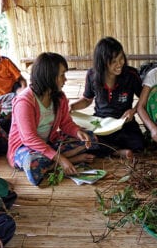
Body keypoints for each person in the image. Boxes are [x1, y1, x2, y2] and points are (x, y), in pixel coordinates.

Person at [8, 52, 101, 186]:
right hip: (26, 148)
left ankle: (51, 164)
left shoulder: (59, 97)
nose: (65, 80)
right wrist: (61, 159)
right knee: (33, 163)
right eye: (62, 75)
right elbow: (29, 138)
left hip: (49, 142)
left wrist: (77, 132)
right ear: (49, 76)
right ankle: (64, 161)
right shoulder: (24, 102)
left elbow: (65, 123)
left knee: (90, 138)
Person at [70, 37, 144, 158]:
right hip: (100, 123)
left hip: (123, 122)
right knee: (87, 142)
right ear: (103, 62)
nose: (120, 64)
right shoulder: (92, 75)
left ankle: (109, 149)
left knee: (138, 144)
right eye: (114, 61)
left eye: (121, 59)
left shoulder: (131, 75)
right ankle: (116, 152)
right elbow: (87, 100)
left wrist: (133, 111)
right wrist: (72, 106)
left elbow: (143, 97)